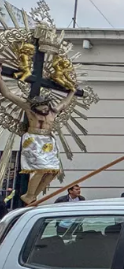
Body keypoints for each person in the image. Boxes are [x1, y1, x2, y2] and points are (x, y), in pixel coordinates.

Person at [0, 76, 76, 204]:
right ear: (36, 106)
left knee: (53, 171)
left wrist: (73, 91)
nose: (44, 109)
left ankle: (32, 195)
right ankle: (29, 194)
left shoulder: (53, 111)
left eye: (46, 106)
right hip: (34, 140)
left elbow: (64, 103)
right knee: (41, 169)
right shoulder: (30, 110)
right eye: (41, 107)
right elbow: (8, 94)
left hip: (47, 140)